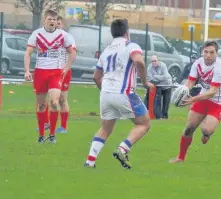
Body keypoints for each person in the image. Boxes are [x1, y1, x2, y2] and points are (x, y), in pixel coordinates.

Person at [84, 19, 154, 169]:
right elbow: (139, 62)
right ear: (127, 32)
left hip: (105, 94)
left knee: (105, 128)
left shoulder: (106, 50)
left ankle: (90, 161)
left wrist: (106, 91)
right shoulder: (130, 45)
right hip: (124, 93)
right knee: (144, 123)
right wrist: (145, 82)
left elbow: (96, 77)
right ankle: (123, 149)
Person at [169, 40, 221, 163]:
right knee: (188, 129)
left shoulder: (220, 67)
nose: (208, 55)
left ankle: (206, 133)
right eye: (206, 52)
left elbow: (212, 92)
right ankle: (180, 158)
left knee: (206, 130)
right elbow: (190, 82)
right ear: (202, 52)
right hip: (203, 97)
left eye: (212, 52)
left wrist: (192, 99)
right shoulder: (197, 63)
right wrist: (184, 91)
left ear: (216, 53)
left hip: (218, 102)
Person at [24, 10, 75, 143]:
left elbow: (72, 52)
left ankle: (52, 135)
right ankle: (41, 134)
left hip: (56, 73)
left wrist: (67, 66)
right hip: (40, 72)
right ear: (44, 20)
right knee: (41, 105)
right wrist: (27, 71)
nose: (52, 21)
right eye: (50, 19)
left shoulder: (63, 35)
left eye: (54, 19)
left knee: (54, 102)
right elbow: (28, 53)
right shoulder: (37, 34)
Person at [56, 16, 77, 133]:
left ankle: (63, 126)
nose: (57, 25)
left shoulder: (68, 37)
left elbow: (73, 54)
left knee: (62, 99)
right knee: (50, 98)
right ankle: (47, 123)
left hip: (64, 72)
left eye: (59, 23)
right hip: (51, 71)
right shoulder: (50, 37)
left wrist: (66, 67)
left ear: (63, 25)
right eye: (55, 23)